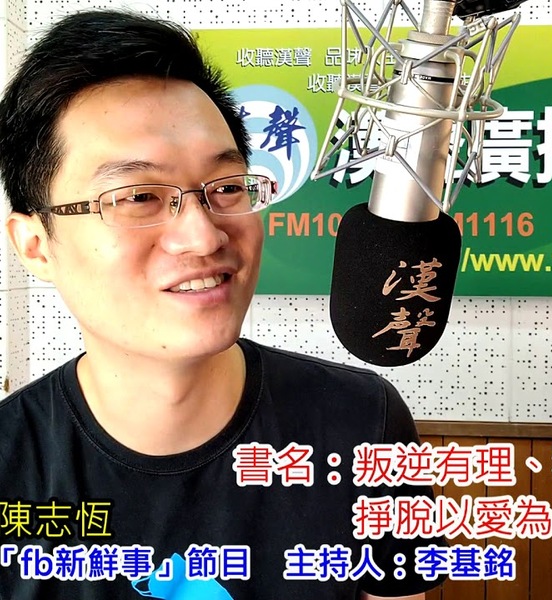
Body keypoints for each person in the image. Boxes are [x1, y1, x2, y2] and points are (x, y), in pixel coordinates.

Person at [0, 9, 446, 599]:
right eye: (138, 196)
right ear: (35, 245)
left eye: (229, 187)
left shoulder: (364, 424)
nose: (203, 236)